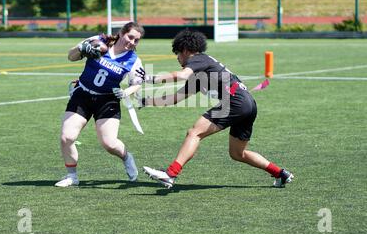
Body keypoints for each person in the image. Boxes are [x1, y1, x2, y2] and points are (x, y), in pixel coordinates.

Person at [141, 29, 294, 189]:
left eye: (178, 54)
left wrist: (150, 78)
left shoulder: (198, 59)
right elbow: (175, 98)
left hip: (235, 102)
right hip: (248, 103)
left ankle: (171, 174)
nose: (178, 59)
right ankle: (280, 173)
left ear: (185, 51)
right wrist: (146, 101)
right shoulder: (200, 72)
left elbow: (181, 75)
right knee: (237, 153)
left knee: (194, 133)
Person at [55, 22, 145, 187]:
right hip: (82, 94)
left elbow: (137, 82)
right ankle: (72, 176)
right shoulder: (99, 40)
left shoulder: (134, 60)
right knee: (66, 137)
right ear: (121, 33)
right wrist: (82, 49)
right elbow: (71, 56)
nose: (132, 42)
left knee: (109, 143)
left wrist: (126, 92)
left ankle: (126, 157)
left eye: (136, 40)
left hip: (107, 100)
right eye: (130, 37)